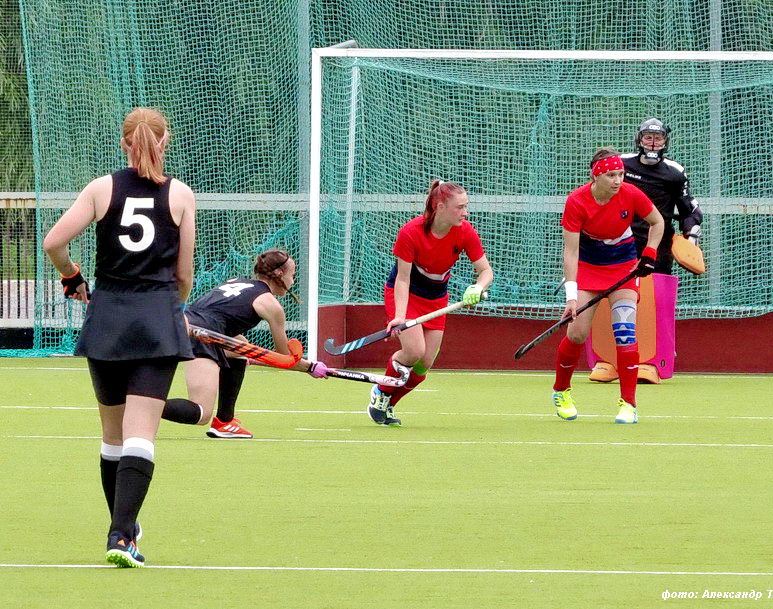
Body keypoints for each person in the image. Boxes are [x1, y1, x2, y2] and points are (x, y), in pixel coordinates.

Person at [43, 107, 196, 568]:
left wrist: (71, 275)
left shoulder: (100, 188)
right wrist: (171, 308)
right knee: (140, 434)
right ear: (164, 141)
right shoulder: (180, 195)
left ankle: (122, 529)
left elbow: (53, 243)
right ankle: (121, 534)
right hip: (156, 323)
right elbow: (183, 276)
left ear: (124, 143)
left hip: (107, 320)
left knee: (113, 436)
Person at [161, 249, 330, 438]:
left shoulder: (236, 281)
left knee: (241, 346)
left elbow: (234, 338)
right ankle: (140, 405)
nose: (293, 281)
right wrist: (310, 367)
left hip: (180, 324)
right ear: (279, 274)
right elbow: (284, 358)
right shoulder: (270, 305)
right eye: (292, 275)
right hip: (203, 336)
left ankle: (224, 422)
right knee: (201, 412)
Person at [367, 179, 493, 426]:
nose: (465, 213)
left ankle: (390, 403)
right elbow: (402, 279)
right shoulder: (411, 232)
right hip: (406, 294)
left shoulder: (465, 231)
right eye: (460, 207)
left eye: (466, 206)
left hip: (436, 299)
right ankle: (381, 391)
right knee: (414, 351)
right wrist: (399, 317)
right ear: (440, 207)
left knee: (424, 364)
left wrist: (478, 287)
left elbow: (486, 271)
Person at [552, 147, 664, 424]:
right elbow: (570, 253)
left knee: (625, 332)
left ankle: (629, 404)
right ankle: (561, 391)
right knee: (577, 334)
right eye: (611, 175)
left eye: (621, 174)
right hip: (588, 268)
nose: (617, 180)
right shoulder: (576, 201)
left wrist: (649, 253)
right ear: (595, 176)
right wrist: (571, 297)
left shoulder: (630, 194)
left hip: (623, 268)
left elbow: (657, 222)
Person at [591, 118, 703, 383]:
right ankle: (607, 360)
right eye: (648, 137)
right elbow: (597, 190)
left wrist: (691, 238)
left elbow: (689, 209)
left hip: (657, 246)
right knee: (607, 296)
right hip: (617, 243)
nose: (653, 143)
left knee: (653, 302)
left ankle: (650, 361)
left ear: (666, 141)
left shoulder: (674, 172)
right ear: (639, 139)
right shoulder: (622, 165)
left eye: (658, 138)